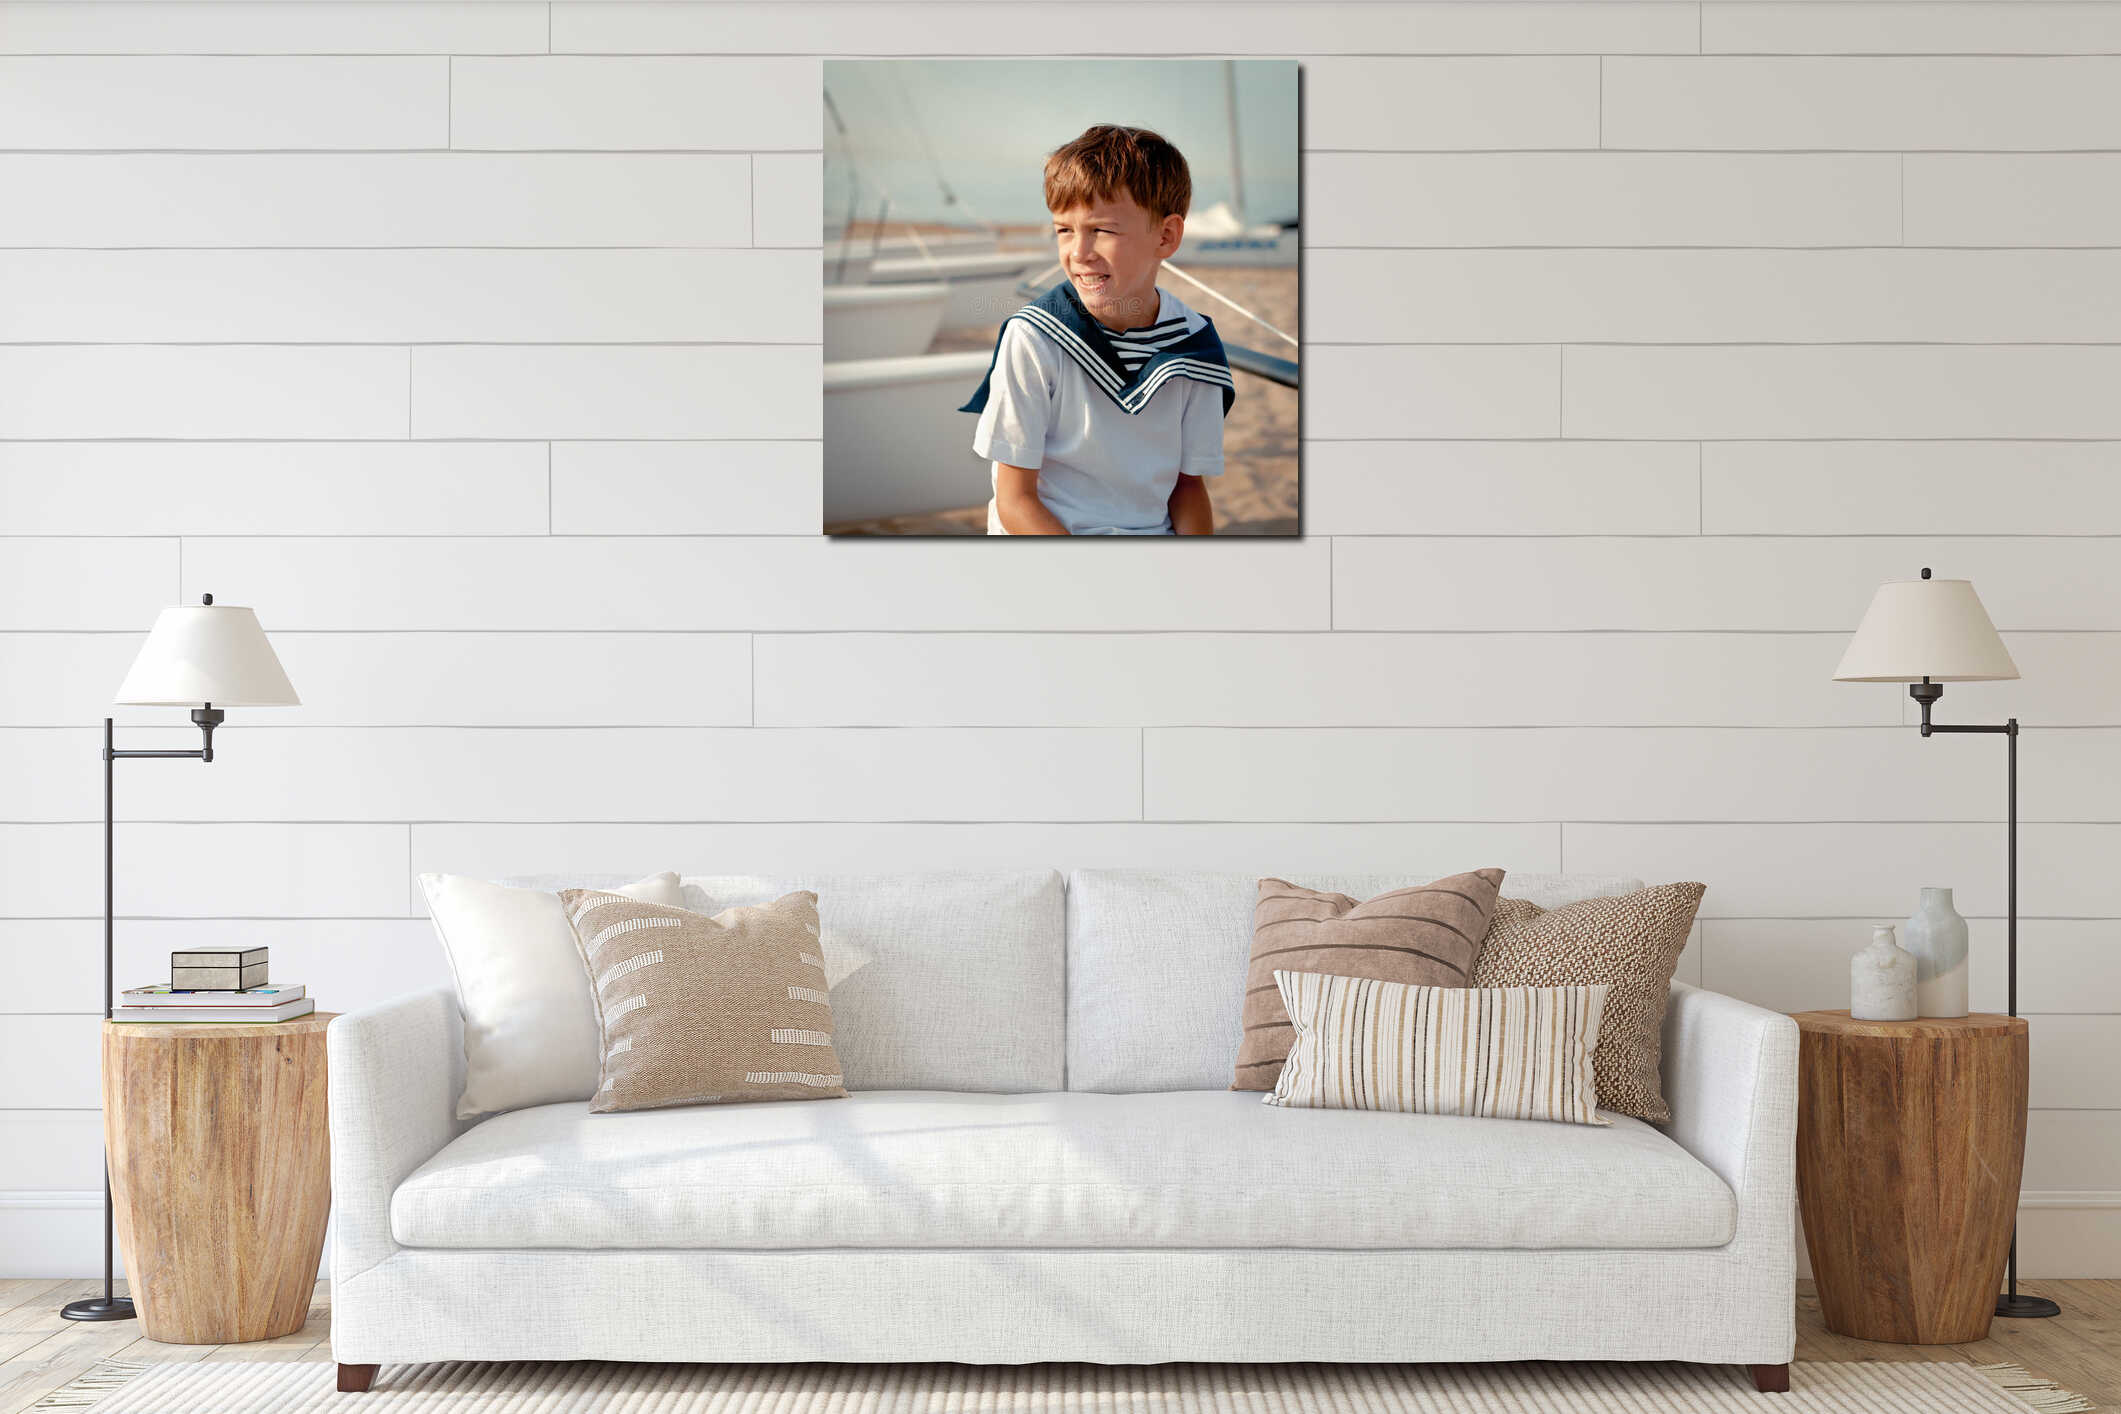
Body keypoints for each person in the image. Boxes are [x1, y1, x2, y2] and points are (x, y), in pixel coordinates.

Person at [960, 125, 1234, 536]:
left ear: (1166, 236)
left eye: (1101, 230)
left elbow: (1188, 487)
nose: (1078, 254)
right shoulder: (1034, 338)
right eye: (1064, 230)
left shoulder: (1194, 345)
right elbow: (1014, 499)